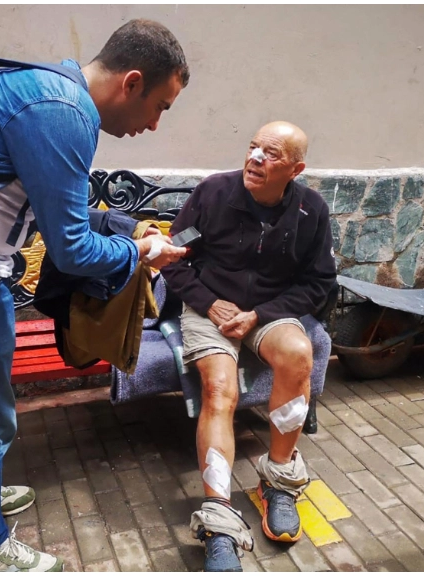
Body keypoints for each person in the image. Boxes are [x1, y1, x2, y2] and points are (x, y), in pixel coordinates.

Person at [0, 19, 190, 571]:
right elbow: (72, 252)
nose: (156, 125)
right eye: (160, 106)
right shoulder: (65, 113)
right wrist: (141, 254)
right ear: (131, 82)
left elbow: (52, 205)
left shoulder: (48, 91)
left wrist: (124, 226)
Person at [161, 121, 336, 571]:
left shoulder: (310, 211)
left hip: (266, 311)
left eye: (271, 154)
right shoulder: (213, 194)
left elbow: (318, 284)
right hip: (209, 310)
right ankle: (218, 521)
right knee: (220, 388)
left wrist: (259, 314)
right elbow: (171, 260)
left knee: (299, 353)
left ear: (295, 169)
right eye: (253, 147)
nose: (255, 158)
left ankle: (278, 482)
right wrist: (208, 302)